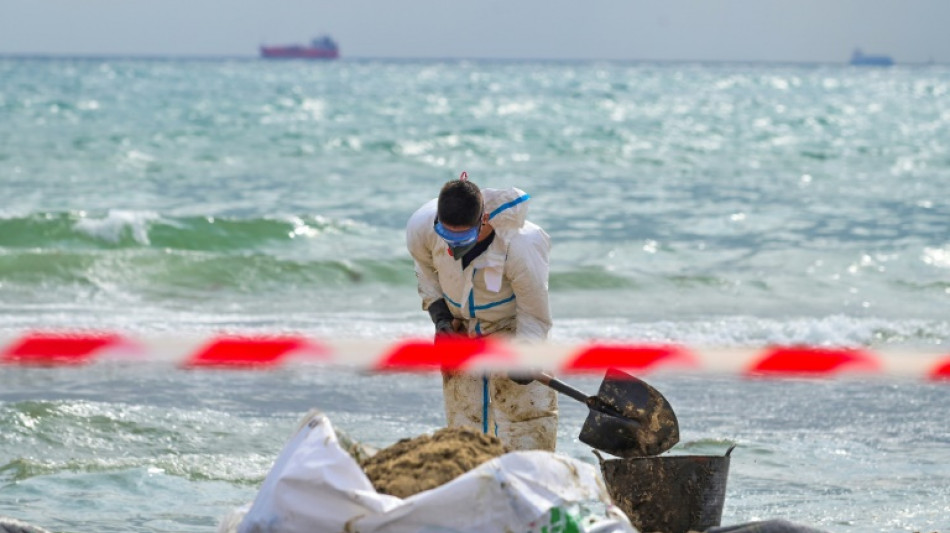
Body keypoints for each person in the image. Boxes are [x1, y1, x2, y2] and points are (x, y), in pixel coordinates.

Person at [406, 174, 558, 451]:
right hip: (461, 327)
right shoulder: (421, 226)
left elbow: (534, 311)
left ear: (484, 219)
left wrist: (527, 351)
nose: (453, 246)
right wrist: (440, 317)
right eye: (446, 235)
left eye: (462, 237)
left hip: (511, 326)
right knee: (464, 425)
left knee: (526, 421)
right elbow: (425, 270)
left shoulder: (522, 244)